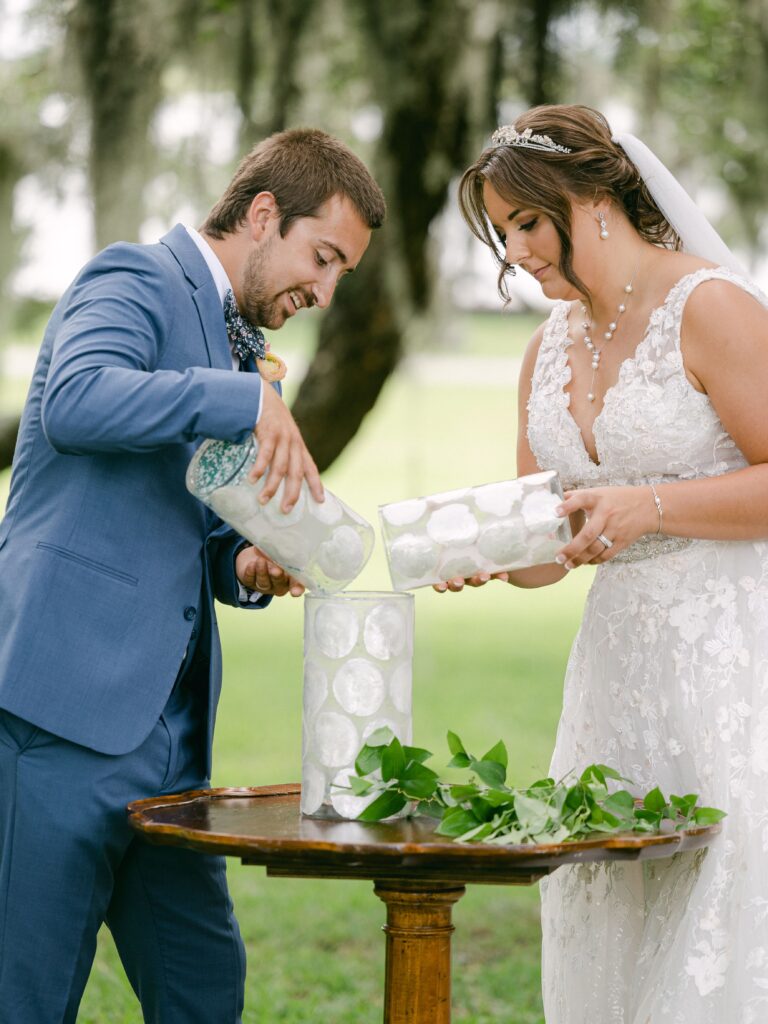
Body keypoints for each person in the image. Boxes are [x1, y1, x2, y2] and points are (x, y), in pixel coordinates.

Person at [0, 127, 385, 1023]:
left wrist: (247, 561)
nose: (325, 292)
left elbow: (202, 526)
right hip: (59, 719)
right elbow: (75, 402)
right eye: (323, 258)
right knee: (27, 996)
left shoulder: (245, 350)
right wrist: (243, 398)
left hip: (172, 747)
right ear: (263, 215)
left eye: (341, 274)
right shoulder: (133, 277)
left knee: (204, 989)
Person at [448, 104, 768, 1022]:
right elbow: (550, 550)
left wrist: (650, 505)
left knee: (721, 904)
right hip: (615, 676)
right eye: (503, 234)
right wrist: (488, 550)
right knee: (610, 903)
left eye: (526, 224)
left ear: (592, 199)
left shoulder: (709, 308)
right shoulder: (545, 349)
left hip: (728, 657)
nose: (515, 253)